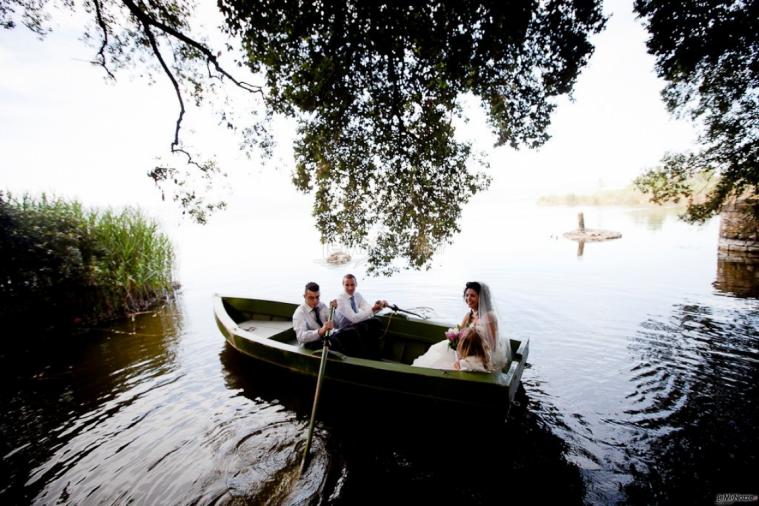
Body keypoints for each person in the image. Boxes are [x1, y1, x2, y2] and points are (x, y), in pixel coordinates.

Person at [412, 281, 511, 372]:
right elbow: (460, 335)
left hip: (484, 354)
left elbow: (492, 346)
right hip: (468, 350)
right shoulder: (468, 316)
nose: (468, 298)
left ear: (481, 298)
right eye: (466, 295)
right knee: (440, 350)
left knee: (454, 363)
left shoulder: (488, 316)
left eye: (473, 296)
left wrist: (470, 352)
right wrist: (455, 342)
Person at [292, 281, 362, 356]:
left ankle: (360, 357)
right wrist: (321, 331)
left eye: (317, 297)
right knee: (335, 342)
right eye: (311, 298)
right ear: (304, 296)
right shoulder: (299, 313)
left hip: (327, 337)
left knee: (352, 332)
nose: (315, 301)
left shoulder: (321, 305)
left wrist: (334, 310)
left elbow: (336, 325)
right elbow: (301, 337)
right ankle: (349, 359)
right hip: (309, 344)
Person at [334, 274, 387, 359]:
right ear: (343, 285)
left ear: (356, 284)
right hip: (343, 330)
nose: (350, 288)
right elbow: (354, 318)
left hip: (354, 325)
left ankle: (375, 351)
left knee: (376, 322)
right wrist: (372, 309)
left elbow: (368, 308)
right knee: (361, 327)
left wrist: (379, 306)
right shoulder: (340, 299)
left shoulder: (357, 295)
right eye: (347, 285)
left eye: (352, 285)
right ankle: (364, 355)